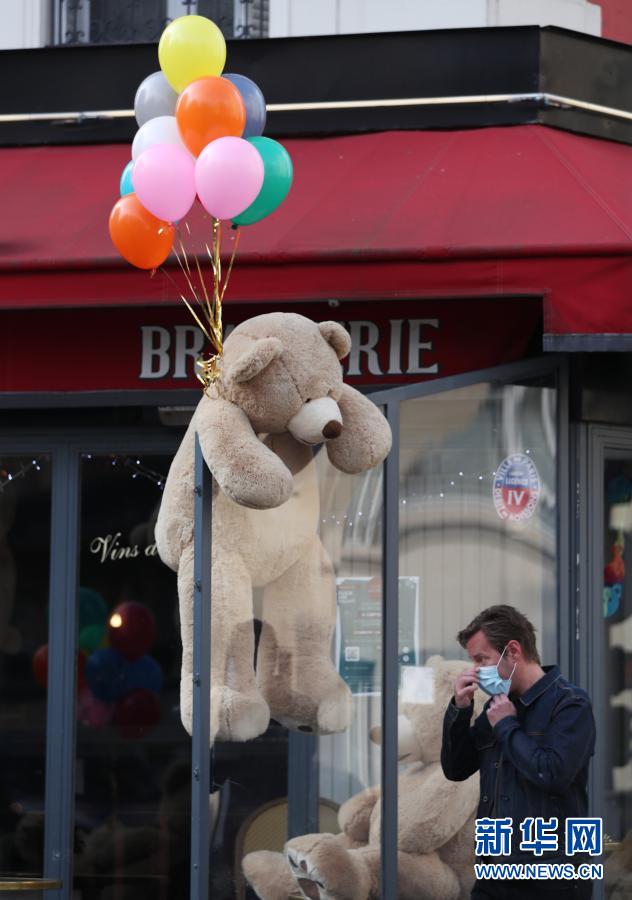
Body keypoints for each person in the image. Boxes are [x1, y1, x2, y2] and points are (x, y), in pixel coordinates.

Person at [440, 604, 596, 900]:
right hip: (493, 872)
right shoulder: (496, 707)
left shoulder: (571, 705)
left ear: (513, 651)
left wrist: (508, 726)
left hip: (551, 877)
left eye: (481, 659)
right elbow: (456, 768)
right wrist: (460, 709)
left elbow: (552, 774)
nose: (475, 671)